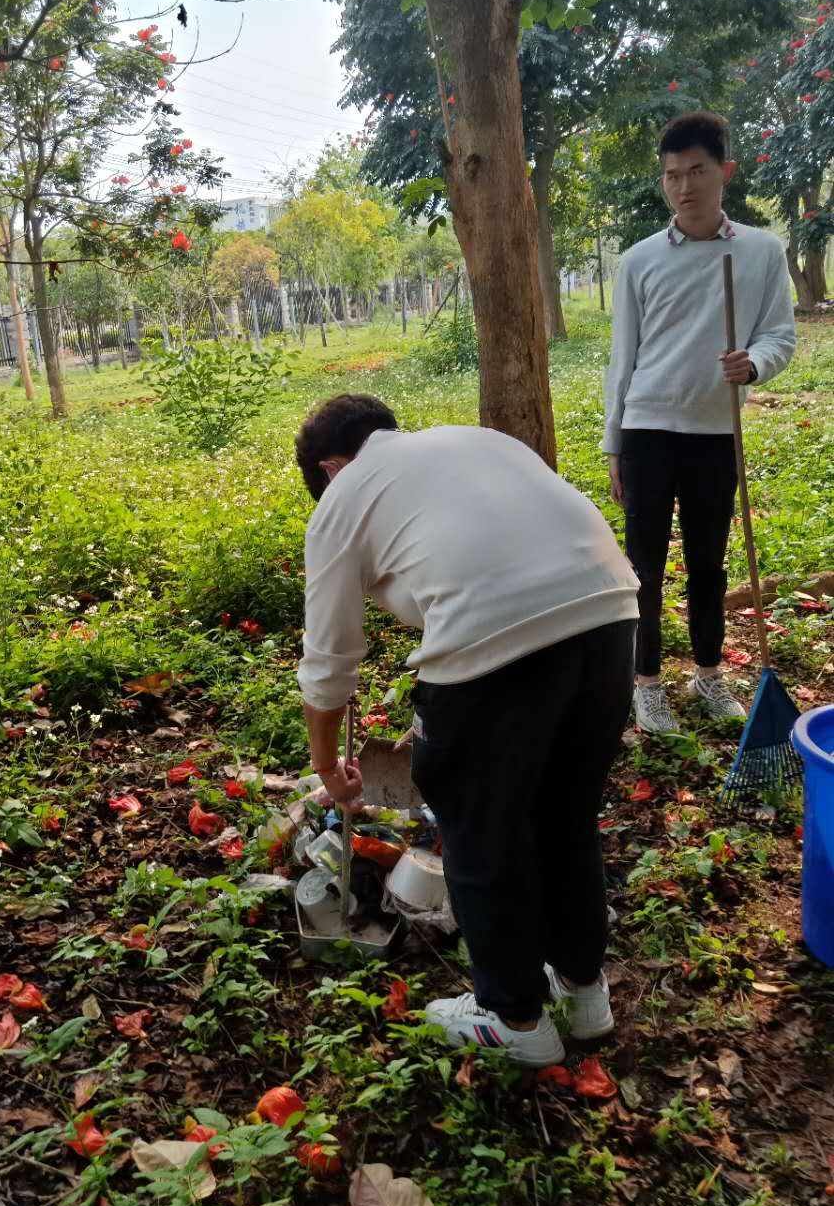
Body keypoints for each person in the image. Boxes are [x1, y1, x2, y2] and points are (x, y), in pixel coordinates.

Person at [294, 395, 640, 1067]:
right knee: (565, 814)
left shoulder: (344, 497)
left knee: (481, 831)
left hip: (500, 645)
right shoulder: (476, 442)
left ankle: (514, 1017)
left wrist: (327, 765)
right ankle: (584, 992)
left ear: (331, 469)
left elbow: (329, 665)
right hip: (609, 620)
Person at [604, 111, 796, 736]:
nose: (683, 187)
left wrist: (754, 363)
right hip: (647, 430)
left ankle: (709, 673)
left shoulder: (761, 252)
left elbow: (779, 335)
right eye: (671, 175)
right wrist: (614, 445)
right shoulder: (639, 260)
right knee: (642, 565)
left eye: (696, 171)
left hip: (716, 432)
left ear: (725, 172)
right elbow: (622, 358)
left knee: (709, 562)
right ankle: (647, 682)